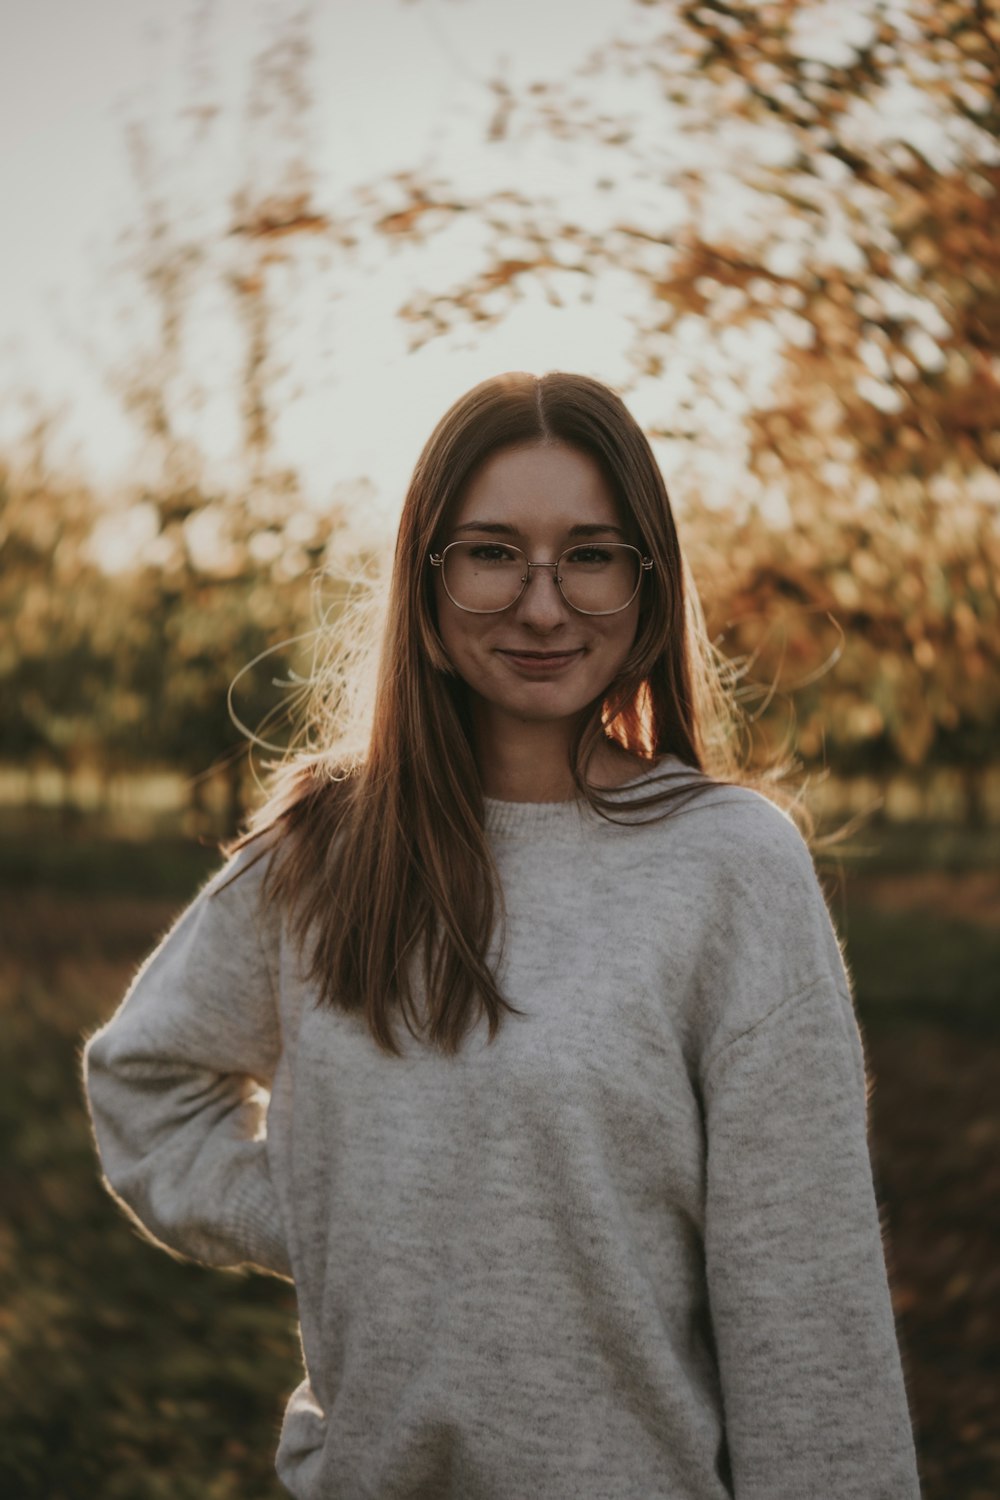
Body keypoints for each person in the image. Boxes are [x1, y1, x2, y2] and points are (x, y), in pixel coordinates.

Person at [82, 371, 922, 1499]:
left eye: (589, 553)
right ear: (425, 590)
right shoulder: (324, 853)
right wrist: (347, 1217)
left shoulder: (729, 869)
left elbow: (805, 1304)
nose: (541, 605)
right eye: (490, 553)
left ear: (647, 585)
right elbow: (147, 1082)